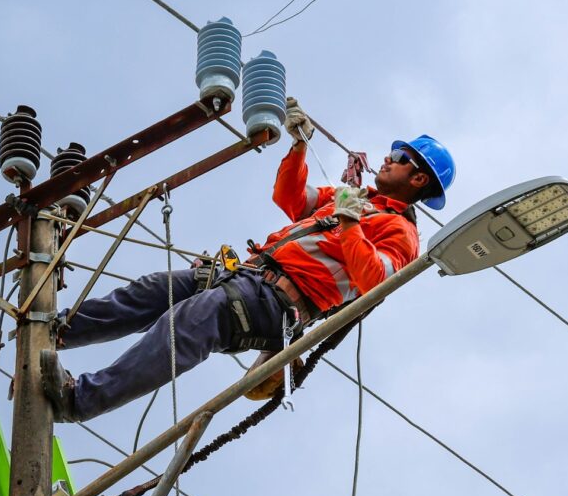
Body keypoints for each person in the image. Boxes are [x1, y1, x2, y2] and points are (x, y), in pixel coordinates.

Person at [41, 100, 456, 422]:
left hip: (277, 304)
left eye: (399, 157)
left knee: (185, 325)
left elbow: (372, 280)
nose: (387, 158)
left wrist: (349, 223)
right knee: (153, 290)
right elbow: (291, 199)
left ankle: (80, 400)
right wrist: (299, 146)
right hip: (246, 275)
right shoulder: (355, 201)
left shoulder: (400, 233)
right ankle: (55, 330)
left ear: (418, 178)